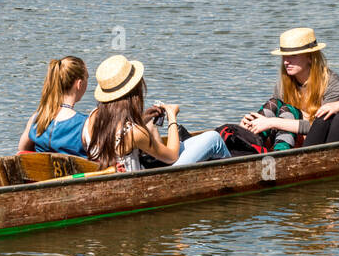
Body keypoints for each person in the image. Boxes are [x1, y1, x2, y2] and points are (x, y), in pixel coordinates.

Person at [81, 55, 230, 172]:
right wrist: (172, 116)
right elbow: (172, 156)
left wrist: (143, 118)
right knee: (214, 138)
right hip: (142, 182)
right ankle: (228, 178)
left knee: (203, 140)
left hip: (122, 174)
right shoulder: (135, 132)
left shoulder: (92, 117)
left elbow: (115, 136)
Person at [233, 28, 339, 152]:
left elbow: (321, 127)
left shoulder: (333, 84)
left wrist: (272, 122)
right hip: (294, 136)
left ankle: (279, 156)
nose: (286, 61)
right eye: (284, 56)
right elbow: (276, 115)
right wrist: (249, 124)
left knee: (285, 111)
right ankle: (246, 144)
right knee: (274, 105)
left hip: (325, 140)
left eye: (293, 56)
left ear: (310, 57)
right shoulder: (283, 84)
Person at [17, 56, 90, 158]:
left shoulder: (37, 118)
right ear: (79, 84)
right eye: (87, 78)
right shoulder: (85, 124)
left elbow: (22, 151)